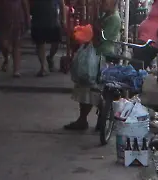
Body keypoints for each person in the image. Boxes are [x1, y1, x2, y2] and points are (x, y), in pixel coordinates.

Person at [64, 0, 120, 131]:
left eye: (107, 2)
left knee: (93, 88)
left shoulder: (114, 19)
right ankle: (83, 119)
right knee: (87, 88)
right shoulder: (104, 16)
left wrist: (93, 30)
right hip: (95, 53)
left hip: (102, 55)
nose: (104, 4)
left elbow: (102, 38)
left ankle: (97, 117)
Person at [0, 0, 30, 76]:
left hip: (18, 18)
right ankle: (6, 59)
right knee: (4, 43)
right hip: (3, 19)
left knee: (16, 45)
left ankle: (16, 70)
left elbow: (24, 3)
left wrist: (27, 19)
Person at [31, 0, 64, 75]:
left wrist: (63, 19)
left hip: (53, 20)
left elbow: (61, 3)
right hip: (38, 19)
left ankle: (50, 57)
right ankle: (43, 67)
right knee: (40, 42)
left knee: (56, 42)